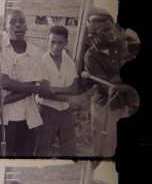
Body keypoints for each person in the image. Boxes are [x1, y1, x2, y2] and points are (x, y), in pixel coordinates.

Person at [0, 9, 52, 156]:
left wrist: (0, 101)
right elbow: (4, 82)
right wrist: (38, 89)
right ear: (5, 27)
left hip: (28, 118)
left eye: (22, 21)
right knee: (1, 156)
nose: (18, 25)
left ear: (26, 26)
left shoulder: (36, 53)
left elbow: (29, 88)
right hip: (2, 117)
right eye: (12, 22)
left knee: (26, 156)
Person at [84, 10, 140, 156]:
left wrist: (113, 81)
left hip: (123, 103)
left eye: (111, 28)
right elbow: (108, 88)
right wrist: (126, 84)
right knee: (104, 149)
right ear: (93, 35)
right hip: (105, 107)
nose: (111, 32)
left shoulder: (117, 43)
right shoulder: (90, 57)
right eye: (105, 30)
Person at [34, 25, 81, 156]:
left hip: (65, 111)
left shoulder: (69, 61)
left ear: (66, 43)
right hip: (47, 110)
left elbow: (74, 88)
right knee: (42, 149)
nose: (55, 46)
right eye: (52, 42)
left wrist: (55, 89)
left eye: (60, 42)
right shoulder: (42, 61)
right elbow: (45, 93)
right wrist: (69, 97)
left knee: (69, 147)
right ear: (47, 41)